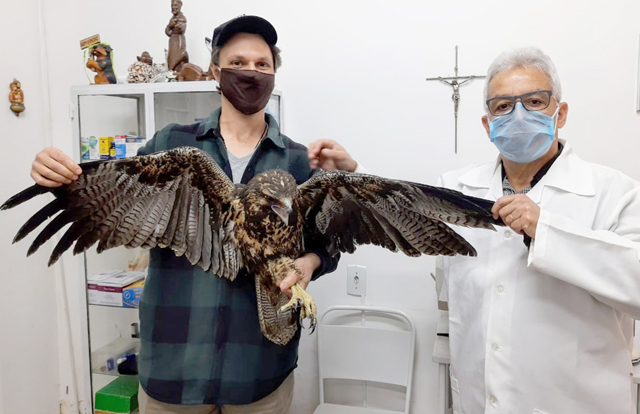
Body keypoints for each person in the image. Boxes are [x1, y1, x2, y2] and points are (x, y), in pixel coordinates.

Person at [30, 15, 363, 414]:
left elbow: (327, 245)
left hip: (259, 366)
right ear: (216, 71)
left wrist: (311, 258)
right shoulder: (172, 143)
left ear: (275, 74)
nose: (251, 72)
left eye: (262, 64)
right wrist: (63, 180)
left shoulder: (296, 159)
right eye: (238, 63)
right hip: (175, 361)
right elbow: (117, 200)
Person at [436, 46, 640, 413]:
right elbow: (451, 294)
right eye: (502, 106)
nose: (517, 115)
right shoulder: (457, 190)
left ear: (559, 113)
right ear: (487, 124)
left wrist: (546, 230)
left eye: (534, 101)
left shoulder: (614, 192)